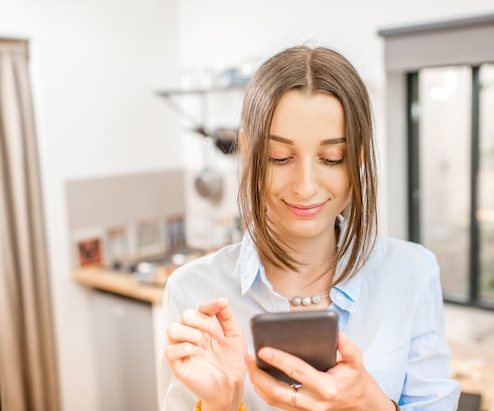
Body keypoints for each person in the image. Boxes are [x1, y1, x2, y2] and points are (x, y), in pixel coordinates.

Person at [160, 44, 460, 411]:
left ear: (359, 157)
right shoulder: (192, 290)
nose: (305, 187)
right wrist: (222, 404)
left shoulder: (412, 273)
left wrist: (370, 404)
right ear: (247, 150)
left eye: (332, 158)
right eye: (279, 157)